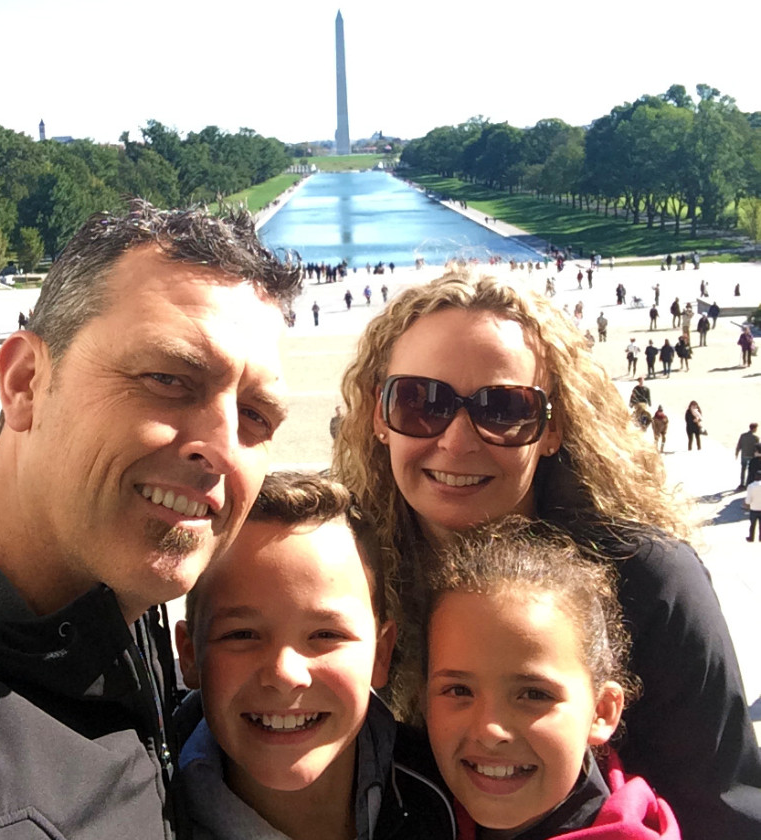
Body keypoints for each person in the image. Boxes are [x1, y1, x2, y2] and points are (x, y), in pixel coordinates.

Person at [0, 200, 302, 840]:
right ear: (25, 383)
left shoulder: (112, 600)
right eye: (167, 378)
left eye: (256, 417)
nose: (222, 448)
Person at [332, 270, 761, 838]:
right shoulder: (338, 576)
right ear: (379, 417)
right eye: (420, 402)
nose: (457, 441)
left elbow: (722, 812)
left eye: (504, 409)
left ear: (553, 428)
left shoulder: (650, 582)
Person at [174, 472, 455, 840]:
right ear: (190, 655)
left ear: (381, 654)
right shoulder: (142, 814)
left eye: (326, 635)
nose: (286, 674)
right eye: (242, 634)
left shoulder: (450, 800)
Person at [423, 519, 679, 839]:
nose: (490, 730)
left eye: (533, 695)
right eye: (458, 690)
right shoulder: (402, 809)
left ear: (602, 711)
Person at [735, 423, 760, 489]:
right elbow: (757, 448)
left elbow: (739, 445)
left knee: (743, 469)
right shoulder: (756, 438)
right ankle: (747, 484)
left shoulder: (743, 436)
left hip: (744, 455)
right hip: (751, 456)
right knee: (750, 470)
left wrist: (736, 453)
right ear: (754, 428)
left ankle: (741, 483)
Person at [745, 474, 761, 543]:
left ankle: (751, 537)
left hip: (754, 508)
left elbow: (748, 499)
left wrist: (747, 503)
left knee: (752, 524)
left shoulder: (751, 486)